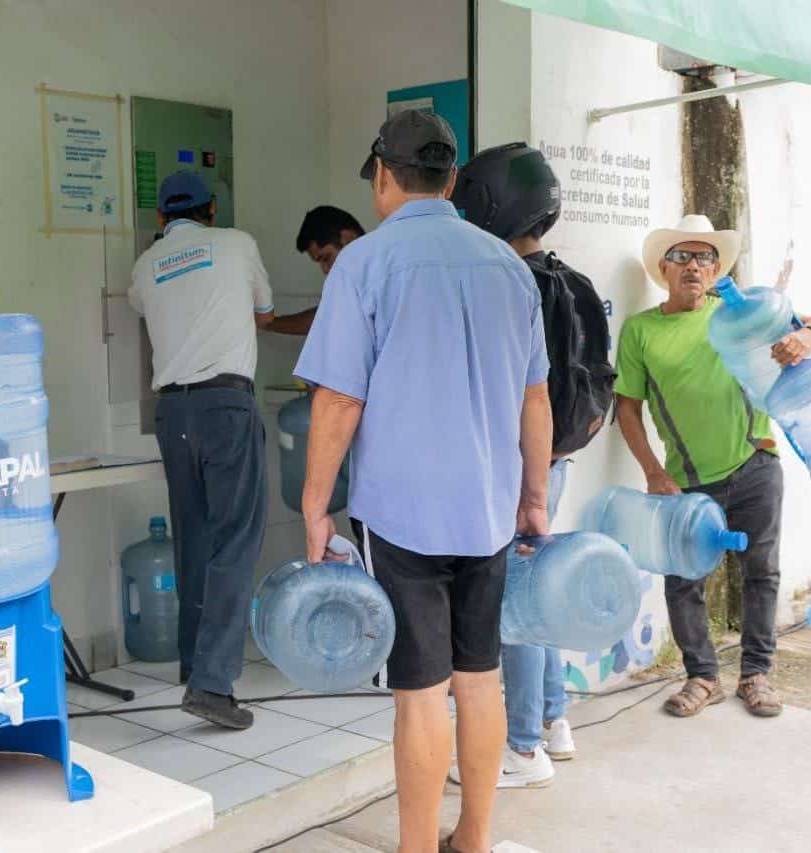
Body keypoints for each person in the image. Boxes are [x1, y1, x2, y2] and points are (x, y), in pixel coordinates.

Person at [296, 110, 553, 853]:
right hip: (488, 510)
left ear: (383, 174)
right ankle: (471, 839)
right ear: (449, 179)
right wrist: (533, 497)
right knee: (479, 679)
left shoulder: (366, 263)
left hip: (402, 514)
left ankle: (415, 848)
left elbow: (339, 400)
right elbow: (536, 397)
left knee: (419, 694)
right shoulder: (508, 265)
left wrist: (316, 506)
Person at [614, 214, 811, 719]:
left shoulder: (743, 312)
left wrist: (809, 337)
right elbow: (626, 406)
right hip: (686, 480)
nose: (694, 266)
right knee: (683, 579)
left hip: (755, 464)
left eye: (705, 257)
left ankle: (756, 675)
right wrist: (651, 470)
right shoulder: (642, 331)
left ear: (717, 269)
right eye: (682, 257)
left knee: (762, 573)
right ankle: (702, 677)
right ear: (664, 269)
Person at [449, 142, 612, 788]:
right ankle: (553, 719)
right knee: (535, 597)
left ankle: (520, 749)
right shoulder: (570, 277)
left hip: (520, 468)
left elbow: (523, 394)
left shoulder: (505, 285)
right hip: (558, 459)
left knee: (510, 610)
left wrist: (525, 487)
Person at [128, 170, 274, 730]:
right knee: (236, 541)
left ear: (162, 217)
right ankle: (212, 684)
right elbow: (262, 307)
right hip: (225, 407)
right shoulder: (236, 244)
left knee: (194, 539)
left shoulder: (146, 265)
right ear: (212, 207)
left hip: (173, 413)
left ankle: (195, 666)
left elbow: (142, 307)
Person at [267, 206, 366, 335]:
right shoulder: (354, 284)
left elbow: (326, 319)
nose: (325, 270)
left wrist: (269, 323)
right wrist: (269, 324)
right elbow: (326, 316)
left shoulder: (383, 274)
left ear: (347, 238)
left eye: (326, 258)